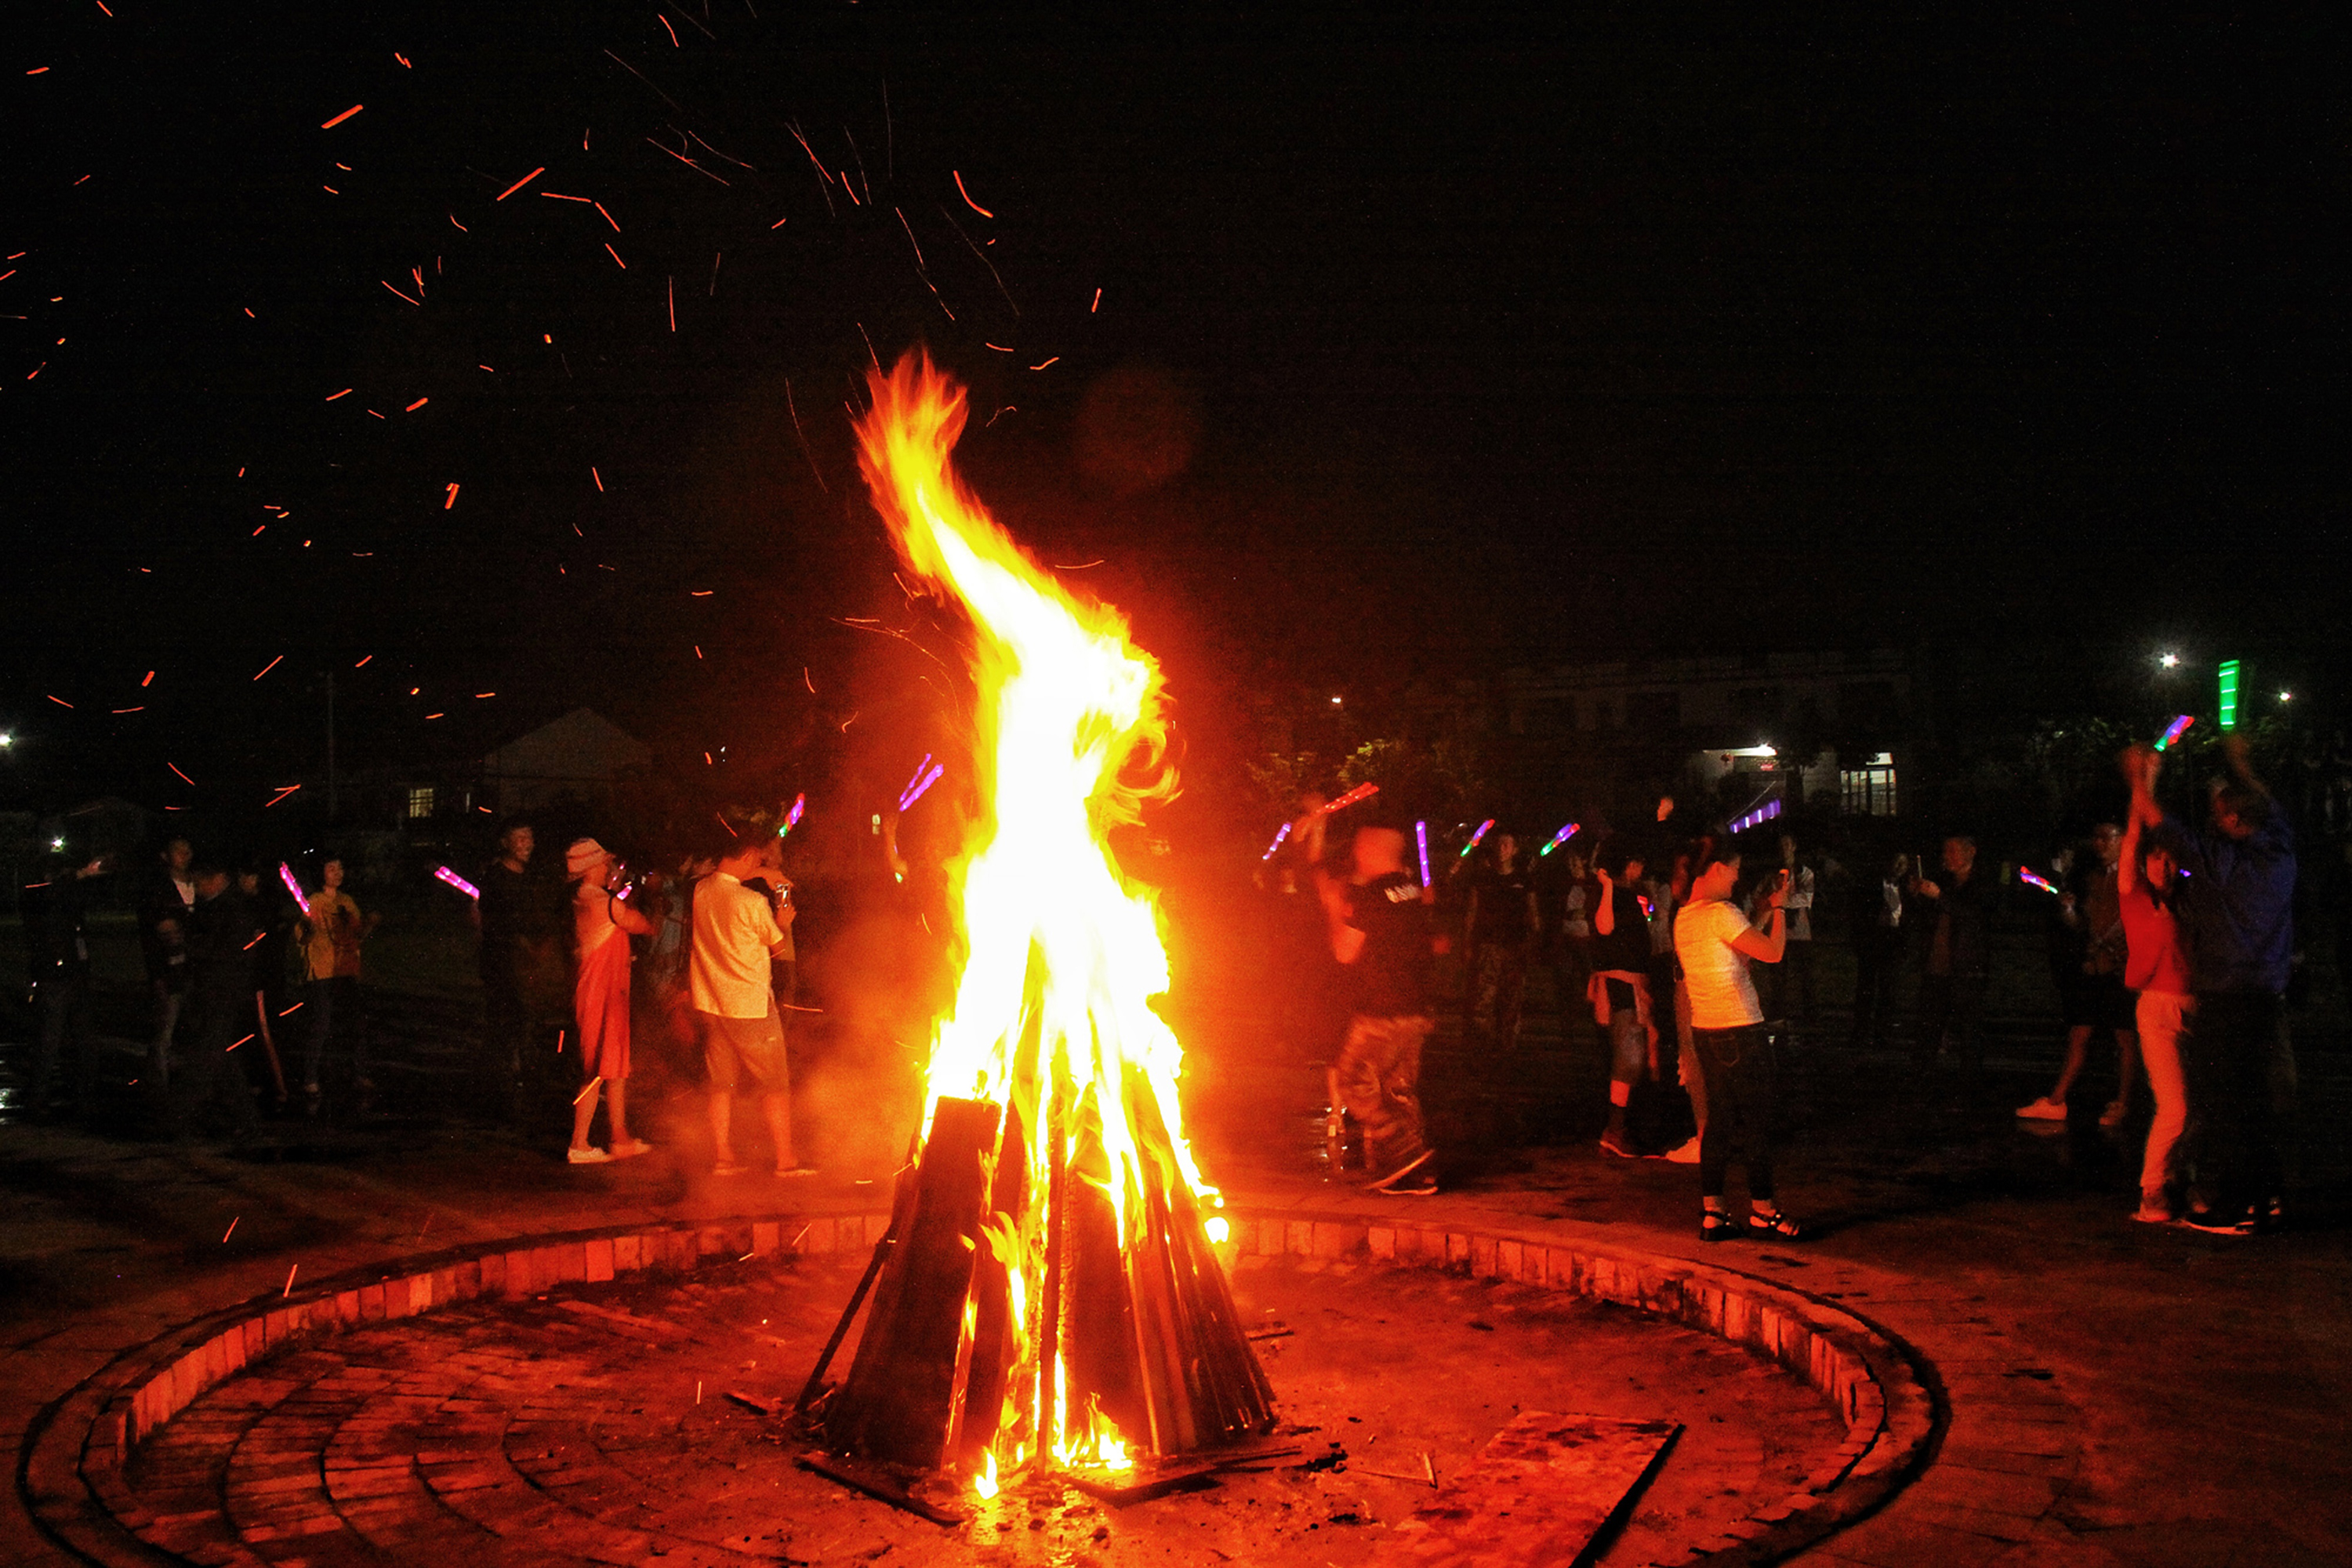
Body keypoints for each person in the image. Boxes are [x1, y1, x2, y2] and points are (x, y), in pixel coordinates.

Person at [2133, 737, 2295, 1234]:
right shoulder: (2280, 850)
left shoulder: (2216, 863)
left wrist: (2143, 775)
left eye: (2219, 810)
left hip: (2225, 995)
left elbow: (2151, 815)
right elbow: (2265, 807)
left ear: (2231, 821)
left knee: (2224, 1104)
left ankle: (2231, 1208)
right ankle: (2265, 1198)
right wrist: (2243, 764)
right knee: (2257, 1100)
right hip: (2267, 994)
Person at [1675, 840, 1801, 1241]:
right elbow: (1772, 954)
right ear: (1714, 869)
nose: (1736, 876)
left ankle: (1714, 1213)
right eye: (1733, 868)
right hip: (1742, 1028)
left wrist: (1761, 911)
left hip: (1707, 1030)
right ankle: (1763, 1210)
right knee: (1758, 1120)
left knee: (1720, 1122)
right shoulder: (1720, 912)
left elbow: (1738, 953)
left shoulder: (1685, 917)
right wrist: (1780, 909)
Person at [1319, 823, 1440, 1194]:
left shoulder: (1372, 896)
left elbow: (1344, 951)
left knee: (1352, 1082)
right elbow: (1436, 942)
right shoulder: (1413, 892)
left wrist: (1333, 908)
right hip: (1417, 1008)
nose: (1356, 856)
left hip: (1381, 1011)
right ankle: (1413, 1175)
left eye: (1359, 849)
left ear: (1371, 852)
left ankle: (1404, 1149)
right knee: (1398, 1088)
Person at [691, 836, 810, 1178]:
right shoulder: (752, 902)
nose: (758, 865)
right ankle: (786, 1159)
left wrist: (762, 872)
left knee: (721, 1085)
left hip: (711, 1001)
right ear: (746, 856)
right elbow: (776, 947)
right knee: (775, 1085)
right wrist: (784, 923)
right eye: (755, 859)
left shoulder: (701, 891)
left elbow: (729, 878)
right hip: (750, 1006)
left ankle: (723, 1158)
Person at [2019, 824, 2140, 1125]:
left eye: (2106, 838)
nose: (2099, 844)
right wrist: (2070, 911)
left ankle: (2123, 1103)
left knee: (2125, 1038)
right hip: (2094, 967)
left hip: (2120, 970)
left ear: (2122, 840)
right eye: (2096, 837)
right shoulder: (2094, 878)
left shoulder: (2135, 875)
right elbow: (2083, 926)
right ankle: (2057, 1100)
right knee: (2079, 1032)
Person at [2118, 798, 2190, 1223]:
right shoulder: (2136, 898)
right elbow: (2130, 847)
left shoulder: (2189, 897)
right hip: (2157, 1008)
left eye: (2168, 859)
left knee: (2196, 1106)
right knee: (2175, 1107)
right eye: (2154, 858)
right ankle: (2152, 1190)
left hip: (2192, 1004)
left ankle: (2182, 1180)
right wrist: (2139, 795)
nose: (2161, 866)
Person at [564, 839, 655, 1164]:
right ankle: (579, 1143)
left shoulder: (582, 898)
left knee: (614, 1067)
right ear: (592, 868)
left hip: (602, 990)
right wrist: (654, 913)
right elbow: (640, 924)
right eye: (604, 864)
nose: (609, 868)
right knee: (597, 1069)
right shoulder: (603, 901)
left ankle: (620, 1137)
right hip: (602, 992)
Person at [173, 864, 263, 1139]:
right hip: (215, 990)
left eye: (203, 880)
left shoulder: (230, 908)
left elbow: (224, 951)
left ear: (218, 879)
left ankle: (183, 1115)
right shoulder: (215, 907)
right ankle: (247, 1119)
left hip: (223, 991)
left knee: (207, 1056)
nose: (199, 887)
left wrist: (189, 945)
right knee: (220, 1056)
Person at [477, 820, 561, 1113]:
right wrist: (521, 943)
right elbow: (495, 920)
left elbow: (540, 915)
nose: (527, 844)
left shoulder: (531, 877)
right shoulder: (495, 877)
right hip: (503, 962)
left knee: (528, 1017)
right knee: (505, 1020)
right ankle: (502, 1080)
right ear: (506, 843)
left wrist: (542, 944)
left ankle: (526, 1073)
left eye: (530, 837)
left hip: (528, 963)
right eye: (521, 838)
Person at [21, 845, 103, 1120]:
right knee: (50, 1040)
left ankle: (83, 1098)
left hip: (74, 974)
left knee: (83, 1040)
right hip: (54, 977)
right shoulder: (40, 895)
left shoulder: (66, 902)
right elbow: (51, 896)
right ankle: (38, 1099)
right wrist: (79, 874)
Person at [1588, 844, 1656, 1158]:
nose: (1640, 870)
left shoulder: (1631, 895)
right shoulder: (1611, 893)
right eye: (1636, 863)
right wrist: (1607, 888)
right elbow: (1604, 927)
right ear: (1627, 864)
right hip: (1619, 985)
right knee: (1628, 1056)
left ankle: (1619, 1125)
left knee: (1632, 1055)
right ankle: (1614, 1129)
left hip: (1631, 983)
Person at [296, 856, 376, 1114]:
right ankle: (310, 1078)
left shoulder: (347, 902)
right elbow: (303, 937)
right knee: (321, 1024)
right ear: (321, 873)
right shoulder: (315, 902)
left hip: (347, 971)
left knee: (357, 1024)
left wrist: (370, 925)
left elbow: (356, 936)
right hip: (323, 973)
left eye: (340, 867)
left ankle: (360, 1073)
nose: (338, 872)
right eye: (331, 868)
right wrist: (309, 927)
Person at [1911, 836, 1996, 1072]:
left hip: (1966, 967)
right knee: (1929, 1026)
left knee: (1969, 1028)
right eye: (1945, 852)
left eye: (1953, 852)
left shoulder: (1981, 883)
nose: (1947, 857)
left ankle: (1970, 1080)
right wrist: (1918, 896)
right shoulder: (1945, 881)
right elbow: (1929, 918)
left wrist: (1939, 897)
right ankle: (1922, 1076)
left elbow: (1972, 916)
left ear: (1971, 852)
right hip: (1937, 965)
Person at [1462, 831, 1539, 1056]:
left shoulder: (1524, 880)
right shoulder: (1483, 878)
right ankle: (1481, 1048)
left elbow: (1532, 913)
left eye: (1508, 844)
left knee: (1512, 1000)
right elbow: (1472, 912)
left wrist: (1534, 940)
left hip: (1515, 946)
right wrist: (1467, 944)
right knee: (1483, 999)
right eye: (1500, 843)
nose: (1502, 848)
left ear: (1515, 850)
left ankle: (1506, 1049)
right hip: (1489, 945)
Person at [140, 837, 198, 1087]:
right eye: (178, 851)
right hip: (170, 970)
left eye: (188, 850)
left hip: (194, 969)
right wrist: (158, 975)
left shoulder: (198, 884)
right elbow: (152, 937)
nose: (184, 855)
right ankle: (159, 1082)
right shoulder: (158, 890)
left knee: (193, 1027)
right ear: (166, 856)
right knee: (165, 1028)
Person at [1847, 853, 1908, 1051]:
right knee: (1866, 989)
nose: (1899, 867)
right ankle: (1861, 1032)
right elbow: (1859, 913)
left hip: (1892, 943)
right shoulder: (1871, 885)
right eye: (1896, 862)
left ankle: (1883, 1033)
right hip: (1873, 941)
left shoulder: (1906, 890)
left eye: (1903, 864)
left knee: (1888, 990)